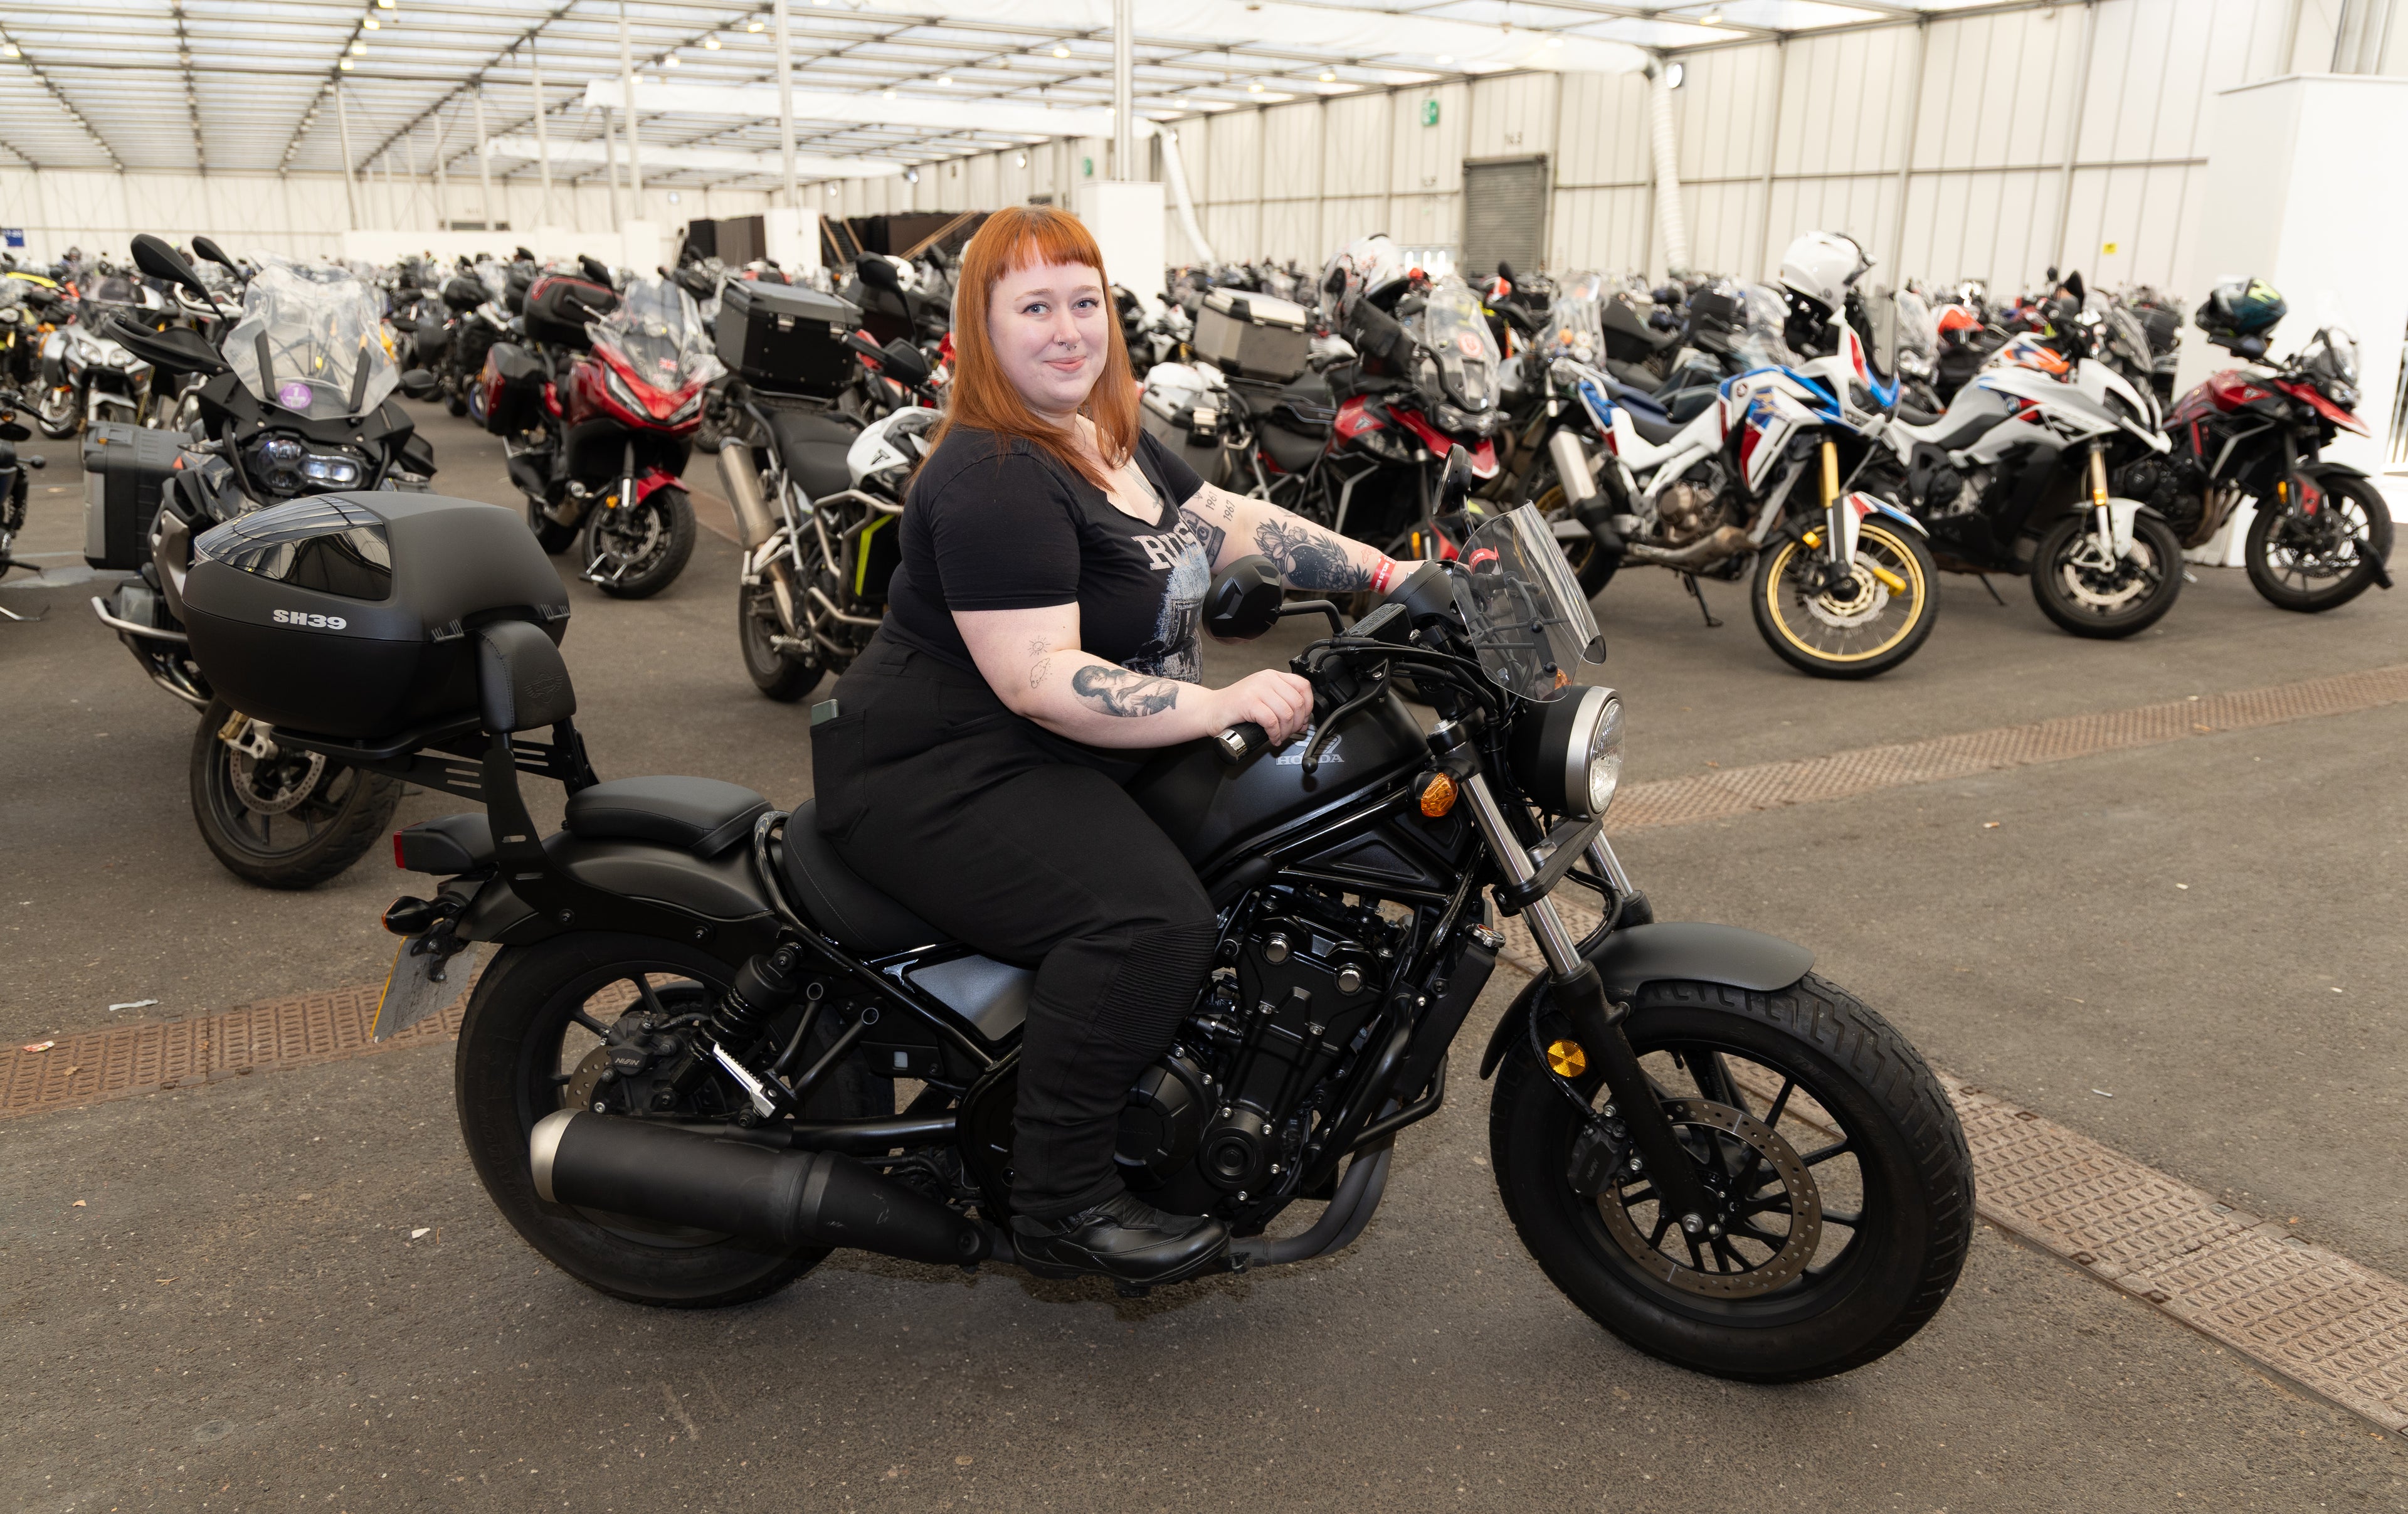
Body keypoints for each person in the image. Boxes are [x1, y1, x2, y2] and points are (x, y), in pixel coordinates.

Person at [810, 206, 1399, 1288]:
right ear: (983, 328)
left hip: (1054, 750)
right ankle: (1062, 1200)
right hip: (934, 765)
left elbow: (1225, 518)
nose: (1069, 329)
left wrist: (1390, 575)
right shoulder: (994, 472)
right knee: (1149, 922)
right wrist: (1219, 703)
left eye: (1085, 302)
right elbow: (1039, 677)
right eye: (1035, 307)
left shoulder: (1098, 432)